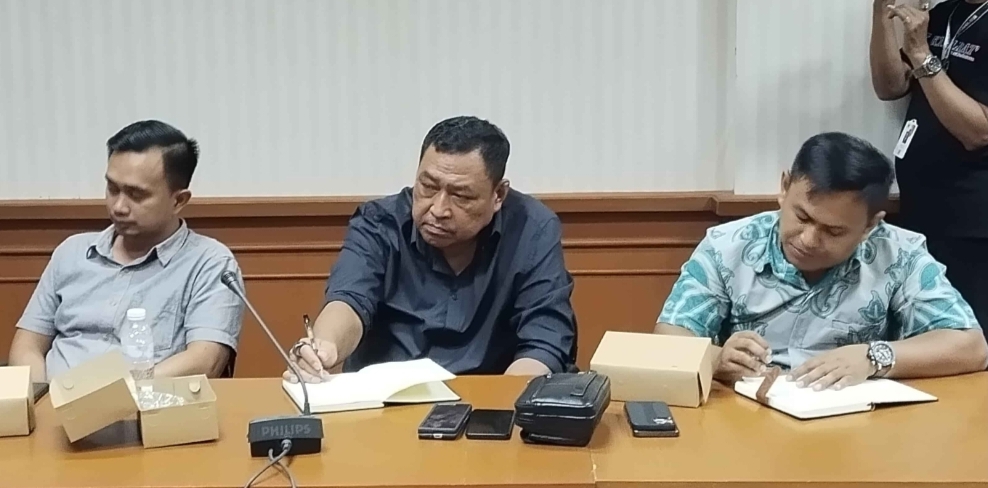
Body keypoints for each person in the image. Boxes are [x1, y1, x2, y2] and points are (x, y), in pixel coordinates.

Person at [654, 132, 988, 390]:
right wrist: (716, 359)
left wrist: (873, 357)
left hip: (860, 425)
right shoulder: (727, 246)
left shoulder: (899, 253)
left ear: (870, 226)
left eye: (833, 231)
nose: (808, 240)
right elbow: (669, 337)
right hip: (746, 418)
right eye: (802, 217)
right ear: (784, 187)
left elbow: (971, 346)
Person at [283, 116, 577, 382]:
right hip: (386, 403)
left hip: (489, 400)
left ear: (498, 195)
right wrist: (324, 347)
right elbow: (349, 300)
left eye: (461, 196)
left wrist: (502, 402)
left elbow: (544, 340)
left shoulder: (532, 228)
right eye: (428, 187)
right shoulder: (379, 223)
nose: (438, 209)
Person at [8, 120, 245, 382]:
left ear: (178, 200)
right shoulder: (72, 253)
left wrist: (113, 394)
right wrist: (41, 396)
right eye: (112, 188)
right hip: (54, 401)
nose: (119, 206)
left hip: (145, 403)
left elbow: (205, 360)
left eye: (136, 194)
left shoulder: (210, 263)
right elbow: (27, 345)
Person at [870, 0, 988, 336]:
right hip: (922, 210)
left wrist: (922, 54)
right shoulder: (943, 13)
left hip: (972, 224)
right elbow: (891, 86)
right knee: (923, 334)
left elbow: (978, 132)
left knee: (967, 339)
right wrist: (882, 12)